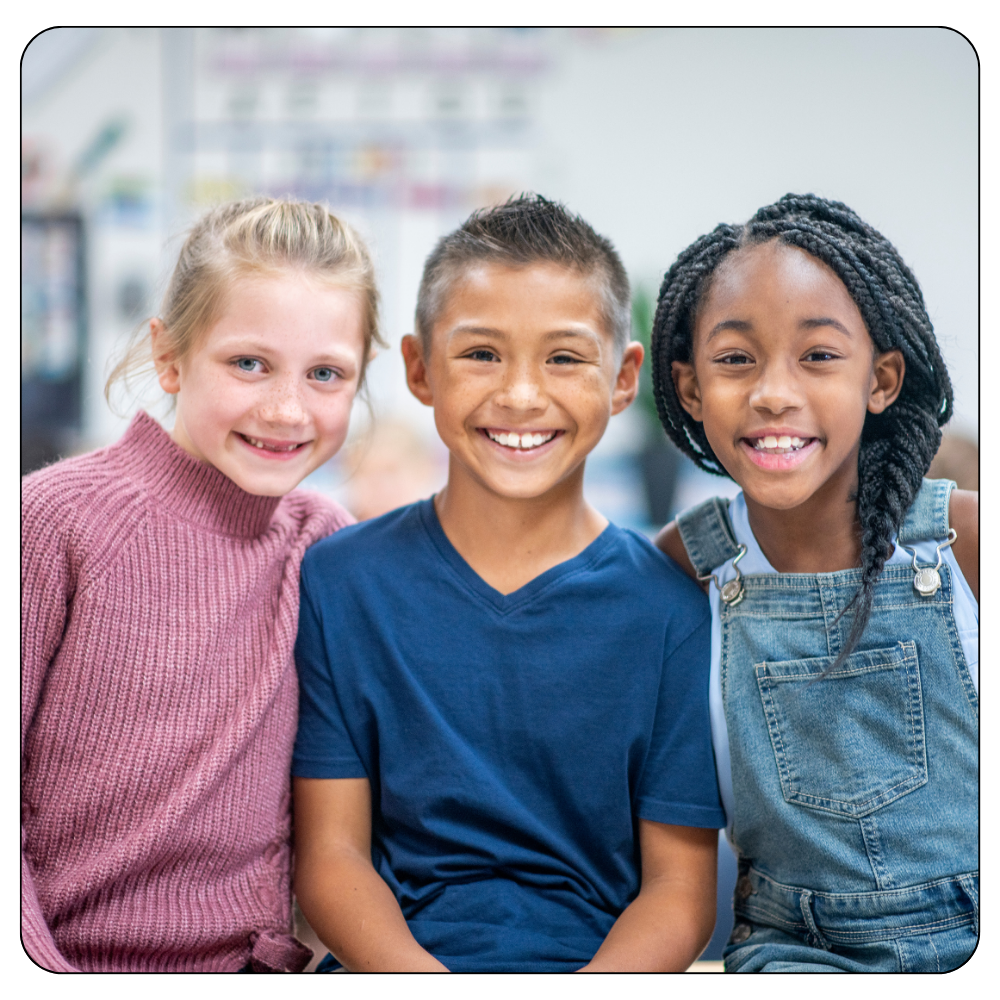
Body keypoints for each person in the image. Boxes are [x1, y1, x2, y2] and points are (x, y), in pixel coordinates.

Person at [292, 195, 725, 972]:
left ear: (623, 379)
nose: (522, 394)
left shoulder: (672, 612)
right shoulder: (339, 581)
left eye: (564, 357)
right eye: (482, 354)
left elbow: (679, 892)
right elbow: (331, 859)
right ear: (420, 369)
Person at [20, 197, 383, 972]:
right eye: (248, 363)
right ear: (169, 356)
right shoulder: (56, 522)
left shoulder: (326, 541)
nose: (286, 409)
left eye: (325, 374)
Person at [652, 194, 978, 972]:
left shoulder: (965, 542)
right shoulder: (680, 568)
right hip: (791, 948)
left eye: (819, 356)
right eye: (735, 359)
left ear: (884, 379)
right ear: (690, 389)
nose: (773, 392)